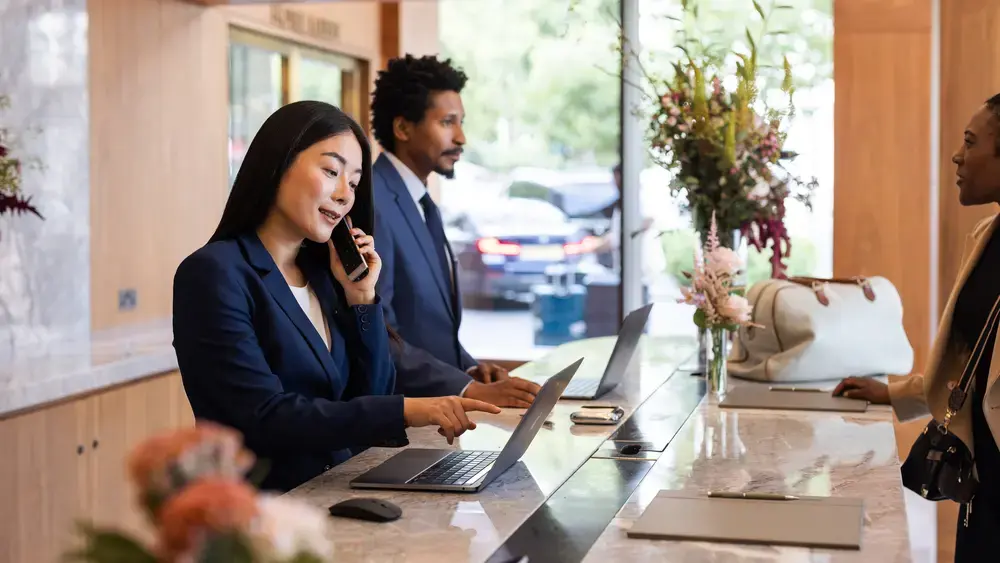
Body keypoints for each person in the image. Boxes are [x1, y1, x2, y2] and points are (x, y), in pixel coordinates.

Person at [172, 101, 500, 493]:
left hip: (338, 496)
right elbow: (261, 418)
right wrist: (408, 410)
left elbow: (373, 393)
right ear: (279, 163)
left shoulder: (325, 277)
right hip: (263, 517)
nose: (346, 194)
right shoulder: (215, 273)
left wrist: (362, 299)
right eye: (331, 172)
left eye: (356, 182)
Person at [833, 94, 1000, 561]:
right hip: (981, 475)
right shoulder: (986, 234)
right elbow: (972, 361)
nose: (957, 155)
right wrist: (894, 393)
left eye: (971, 142)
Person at [370, 54, 541, 408]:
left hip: (442, 410)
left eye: (460, 122)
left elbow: (428, 326)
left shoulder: (417, 199)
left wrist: (469, 369)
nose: (461, 137)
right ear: (403, 128)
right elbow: (380, 333)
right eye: (447, 122)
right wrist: (464, 388)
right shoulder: (374, 202)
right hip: (401, 420)